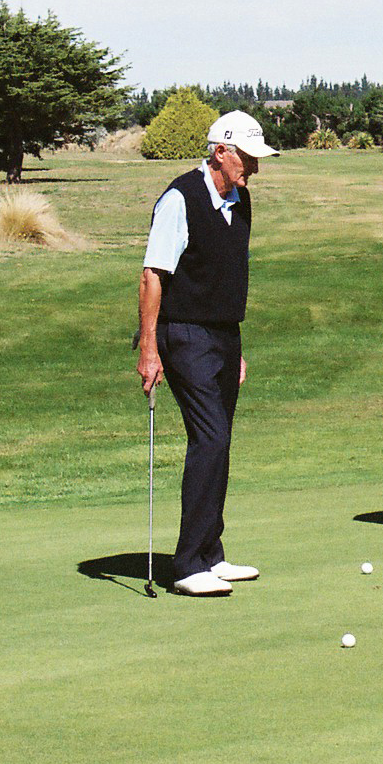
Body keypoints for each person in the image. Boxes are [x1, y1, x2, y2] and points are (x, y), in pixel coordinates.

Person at [136, 110, 278, 597]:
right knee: (210, 438)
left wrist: (233, 345)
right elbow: (153, 274)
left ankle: (210, 554)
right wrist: (150, 346)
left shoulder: (241, 200)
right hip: (184, 334)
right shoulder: (181, 198)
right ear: (222, 151)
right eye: (248, 158)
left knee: (221, 442)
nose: (254, 168)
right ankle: (187, 564)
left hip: (222, 336)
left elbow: (228, 274)